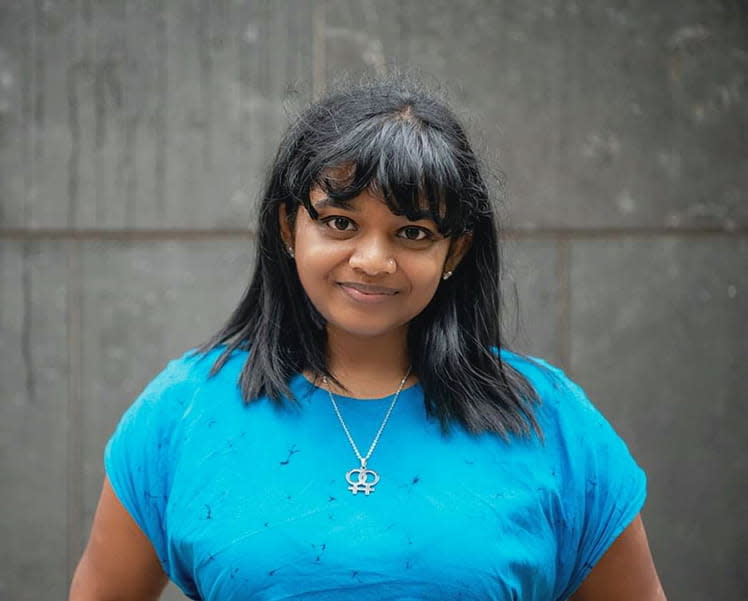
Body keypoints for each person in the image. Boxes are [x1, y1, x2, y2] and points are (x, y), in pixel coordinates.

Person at [69, 79, 667, 601]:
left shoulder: (550, 420)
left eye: (412, 232)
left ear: (454, 249)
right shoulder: (182, 410)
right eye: (340, 223)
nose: (373, 261)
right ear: (288, 226)